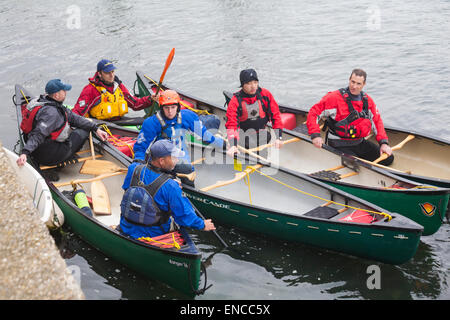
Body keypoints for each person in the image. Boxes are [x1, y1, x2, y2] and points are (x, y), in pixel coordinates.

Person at [119, 139, 216, 239]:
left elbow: (127, 190)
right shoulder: (171, 186)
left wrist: (166, 183)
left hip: (125, 228)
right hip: (154, 235)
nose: (177, 160)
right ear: (161, 161)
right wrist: (203, 224)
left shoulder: (133, 168)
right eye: (174, 158)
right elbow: (184, 216)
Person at [133, 89, 227, 185]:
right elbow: (141, 148)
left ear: (178, 107)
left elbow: (204, 134)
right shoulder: (151, 123)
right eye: (167, 108)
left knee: (187, 169)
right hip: (160, 160)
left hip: (179, 156)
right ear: (161, 108)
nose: (170, 111)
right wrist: (138, 164)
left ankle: (187, 189)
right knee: (178, 171)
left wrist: (220, 143)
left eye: (173, 107)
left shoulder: (188, 116)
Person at [306, 69, 393, 165]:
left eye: (358, 84)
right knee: (358, 165)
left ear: (364, 84)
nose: (354, 86)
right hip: (338, 143)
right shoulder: (334, 98)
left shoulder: (367, 100)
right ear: (349, 80)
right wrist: (315, 135)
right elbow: (313, 113)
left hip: (359, 142)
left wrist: (383, 143)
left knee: (388, 158)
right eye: (352, 82)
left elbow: (377, 121)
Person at [17, 79, 108, 170]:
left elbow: (75, 118)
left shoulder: (44, 102)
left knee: (85, 125)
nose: (66, 92)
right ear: (56, 95)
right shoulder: (51, 113)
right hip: (47, 156)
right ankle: (61, 161)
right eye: (64, 91)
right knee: (84, 131)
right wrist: (25, 152)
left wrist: (96, 128)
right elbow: (38, 134)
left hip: (39, 150)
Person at [225, 68, 284, 157]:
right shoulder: (235, 101)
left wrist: (279, 137)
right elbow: (232, 124)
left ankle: (261, 163)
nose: (253, 86)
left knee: (263, 154)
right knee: (242, 157)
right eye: (249, 83)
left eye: (255, 82)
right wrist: (233, 145)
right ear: (242, 85)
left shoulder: (265, 94)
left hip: (260, 136)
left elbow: (275, 115)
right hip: (242, 138)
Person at [72, 59, 153, 120]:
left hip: (119, 124)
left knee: (145, 121)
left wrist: (151, 99)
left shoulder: (119, 86)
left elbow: (135, 104)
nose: (111, 75)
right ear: (99, 74)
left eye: (112, 72)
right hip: (98, 125)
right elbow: (78, 112)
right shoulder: (90, 90)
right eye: (107, 73)